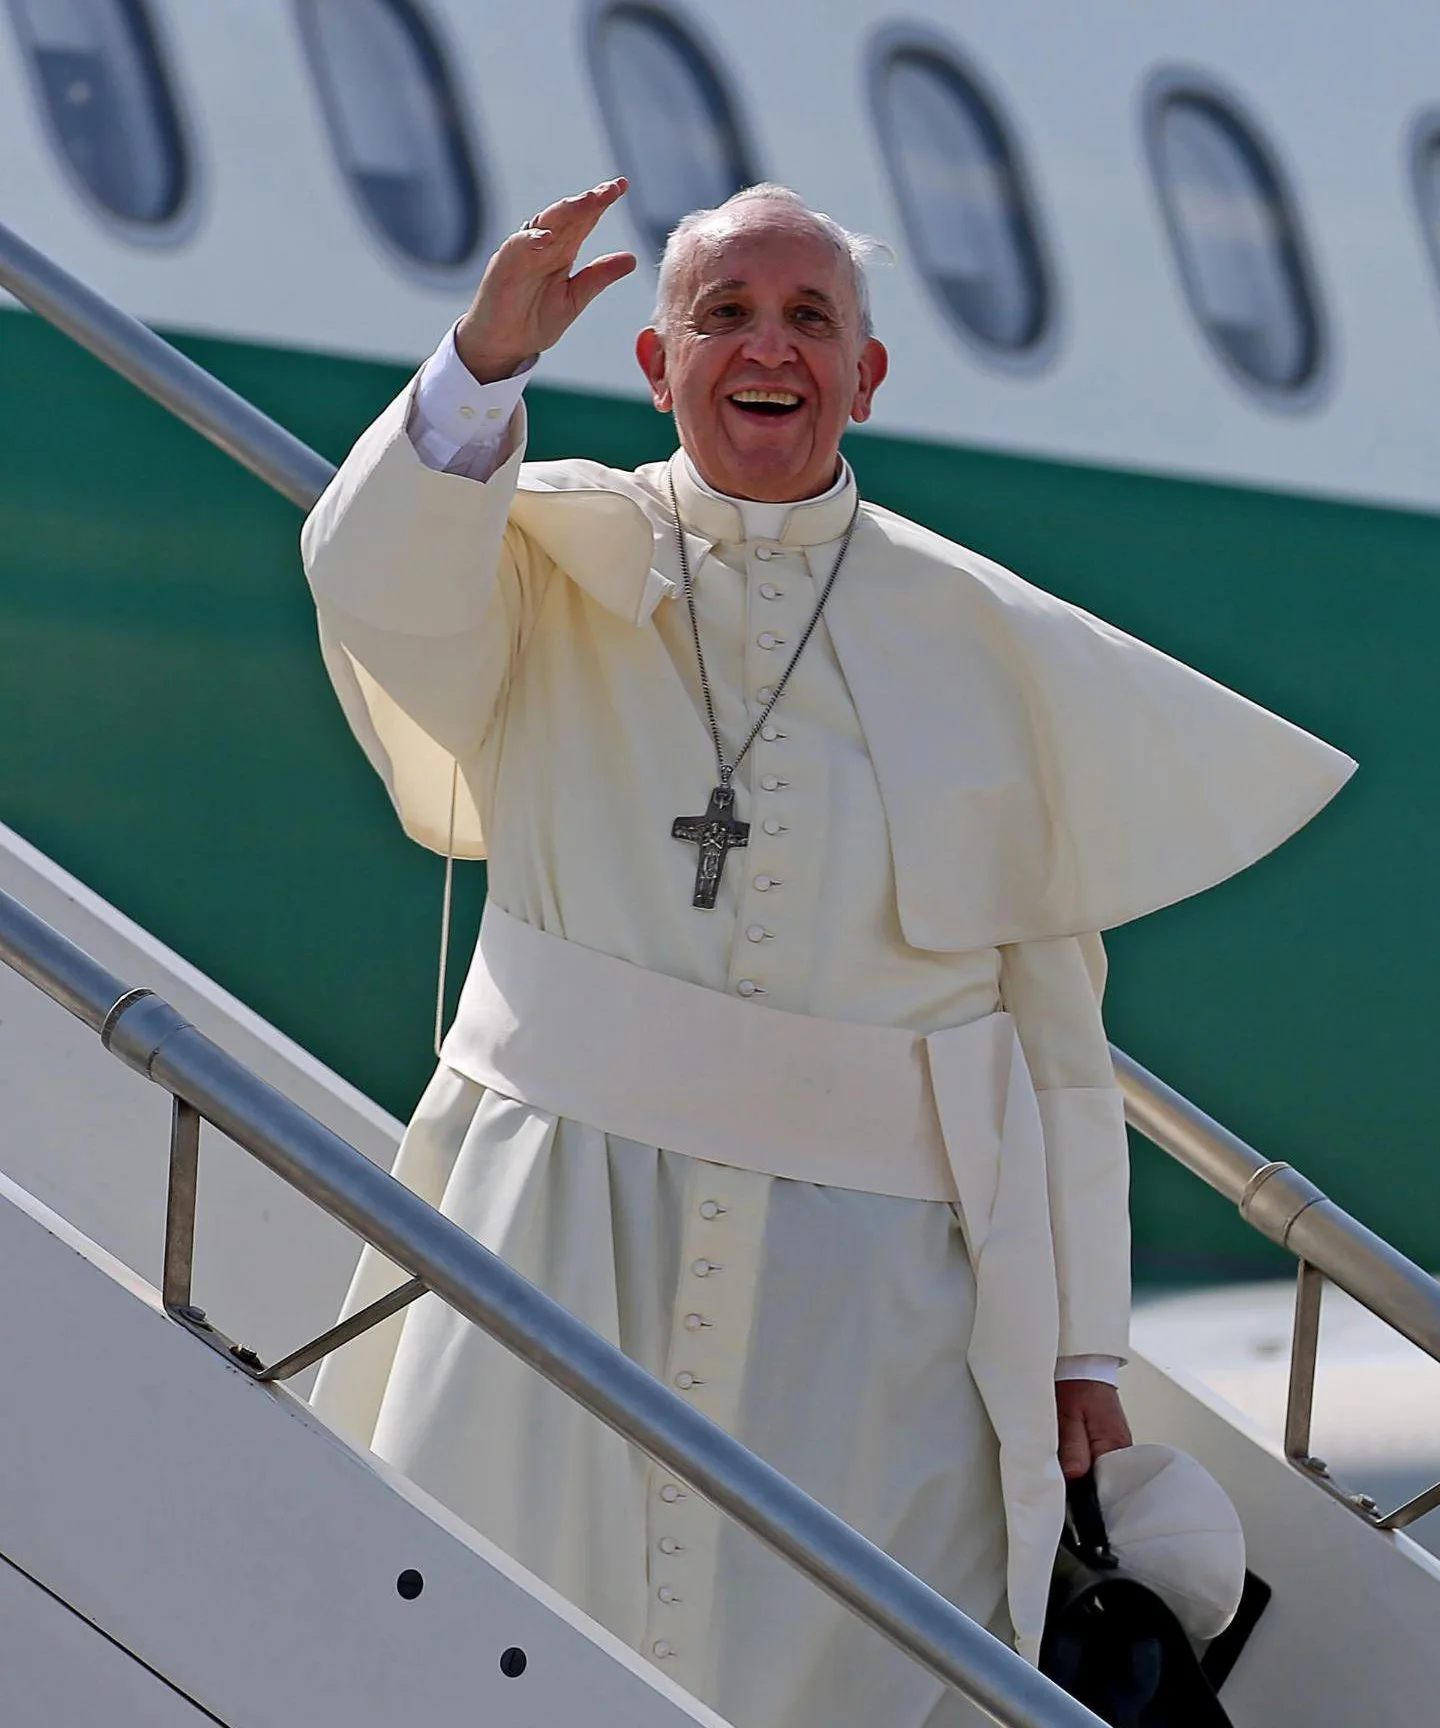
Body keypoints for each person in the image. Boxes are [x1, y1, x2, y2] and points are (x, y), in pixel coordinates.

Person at [300, 178, 1350, 1726]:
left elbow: (1054, 1042)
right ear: (658, 365)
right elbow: (375, 584)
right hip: (557, 1226)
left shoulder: (988, 642)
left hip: (865, 1304)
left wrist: (1081, 1350)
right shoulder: (548, 554)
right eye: (721, 314)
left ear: (865, 377)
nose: (764, 349)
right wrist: (477, 364)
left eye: (809, 319)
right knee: (482, 1635)